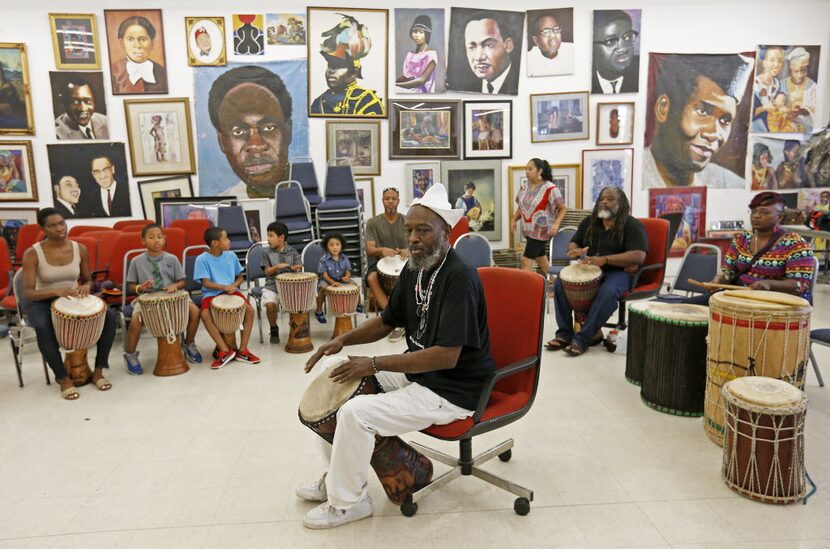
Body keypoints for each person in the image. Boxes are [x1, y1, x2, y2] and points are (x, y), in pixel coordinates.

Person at [296, 183, 494, 529]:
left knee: (357, 412)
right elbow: (388, 321)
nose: (413, 238)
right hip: (421, 375)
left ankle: (349, 503)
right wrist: (342, 341)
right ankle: (337, 482)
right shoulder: (415, 267)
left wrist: (373, 363)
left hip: (453, 389)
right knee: (335, 376)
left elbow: (446, 357)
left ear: (445, 231)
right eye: (409, 230)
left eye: (423, 230)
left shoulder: (459, 277)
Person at [22, 208, 117, 400]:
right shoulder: (32, 253)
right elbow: (28, 292)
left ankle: (99, 370)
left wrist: (86, 287)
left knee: (110, 317)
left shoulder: (79, 248)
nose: (59, 228)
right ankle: (62, 378)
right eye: (52, 225)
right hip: (43, 300)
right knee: (42, 326)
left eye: (61, 223)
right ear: (43, 228)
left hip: (72, 298)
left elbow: (89, 280)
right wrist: (55, 291)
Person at [546, 187, 647, 357]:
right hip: (591, 269)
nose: (604, 202)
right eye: (601, 198)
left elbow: (638, 256)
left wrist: (606, 259)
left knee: (607, 292)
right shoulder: (590, 222)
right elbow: (574, 242)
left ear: (621, 203)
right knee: (559, 283)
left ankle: (583, 338)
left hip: (619, 273)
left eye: (610, 199)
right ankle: (564, 334)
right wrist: (576, 250)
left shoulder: (632, 225)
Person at [643, 54, 753, 189]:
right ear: (663, 109)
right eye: (703, 111)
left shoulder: (728, 184)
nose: (714, 134)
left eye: (725, 120)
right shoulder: (634, 174)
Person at [690, 192, 815, 305]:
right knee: (684, 306)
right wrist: (718, 280)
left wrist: (769, 284)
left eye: (764, 212)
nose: (756, 216)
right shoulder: (742, 239)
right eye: (754, 211)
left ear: (780, 217)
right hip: (739, 296)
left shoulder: (796, 244)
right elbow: (728, 271)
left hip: (776, 303)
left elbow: (800, 284)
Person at [123, 224, 203, 375]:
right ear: (143, 241)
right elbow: (131, 287)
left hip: (173, 296)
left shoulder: (172, 259)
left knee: (194, 311)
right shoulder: (136, 261)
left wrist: (175, 285)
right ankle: (131, 355)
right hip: (147, 297)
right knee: (135, 322)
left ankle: (189, 343)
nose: (156, 241)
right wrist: (141, 287)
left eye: (159, 237)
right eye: (151, 237)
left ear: (164, 239)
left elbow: (182, 282)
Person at [208, 66, 294, 199]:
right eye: (238, 132)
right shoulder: (226, 207)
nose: (256, 146)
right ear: (222, 142)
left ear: (288, 132)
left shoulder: (309, 195)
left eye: (269, 128)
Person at [194, 226, 260, 369]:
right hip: (211, 293)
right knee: (204, 314)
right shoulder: (202, 259)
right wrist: (225, 287)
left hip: (231, 291)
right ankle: (224, 349)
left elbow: (240, 277)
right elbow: (206, 283)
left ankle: (243, 350)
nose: (229, 241)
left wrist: (234, 285)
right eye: (226, 238)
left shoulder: (231, 256)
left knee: (249, 311)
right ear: (214, 243)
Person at [310, 14, 384, 116]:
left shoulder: (366, 100)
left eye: (338, 66)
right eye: (330, 66)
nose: (331, 71)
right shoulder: (318, 102)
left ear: (355, 72)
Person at [365, 187, 409, 341]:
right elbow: (369, 249)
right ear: (382, 200)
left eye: (393, 198)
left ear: (398, 200)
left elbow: (417, 243)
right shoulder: (372, 223)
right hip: (379, 264)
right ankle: (395, 320)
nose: (390, 201)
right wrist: (381, 249)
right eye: (387, 198)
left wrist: (408, 250)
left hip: (405, 264)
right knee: (371, 278)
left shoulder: (407, 221)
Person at [510, 158, 567, 273]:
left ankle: (527, 290)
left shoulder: (550, 188)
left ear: (539, 171)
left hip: (541, 230)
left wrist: (556, 224)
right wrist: (513, 219)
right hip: (528, 231)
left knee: (526, 260)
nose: (527, 171)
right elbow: (521, 207)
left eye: (530, 169)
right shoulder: (524, 187)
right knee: (541, 259)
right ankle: (556, 282)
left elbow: (563, 208)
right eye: (526, 169)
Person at [261, 221, 302, 344]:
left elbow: (299, 267)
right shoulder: (266, 252)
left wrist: (296, 268)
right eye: (268, 235)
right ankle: (273, 328)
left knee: (298, 306)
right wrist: (277, 266)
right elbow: (267, 272)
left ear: (281, 237)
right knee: (270, 304)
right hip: (272, 285)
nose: (268, 239)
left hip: (290, 286)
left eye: (271, 236)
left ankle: (295, 328)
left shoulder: (293, 251)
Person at [460, 11, 519, 95]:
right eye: (472, 48)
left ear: (508, 46)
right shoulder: (466, 90)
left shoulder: (522, 85)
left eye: (489, 45)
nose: (479, 57)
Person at [110, 16, 168, 94]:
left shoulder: (162, 72)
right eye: (130, 39)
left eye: (143, 39)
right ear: (122, 43)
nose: (137, 45)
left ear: (153, 43)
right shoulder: (114, 73)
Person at [591, 10, 639, 94]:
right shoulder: (583, 78)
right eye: (611, 41)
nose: (623, 48)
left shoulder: (641, 72)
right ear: (593, 47)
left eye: (627, 38)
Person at [314, 234, 356, 324]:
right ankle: (318, 311)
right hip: (327, 280)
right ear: (327, 247)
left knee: (354, 285)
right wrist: (332, 283)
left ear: (342, 246)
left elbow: (348, 271)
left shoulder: (344, 258)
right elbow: (324, 275)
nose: (335, 247)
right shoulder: (323, 259)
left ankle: (357, 305)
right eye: (331, 245)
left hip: (341, 279)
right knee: (322, 289)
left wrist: (347, 277)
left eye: (337, 244)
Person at [395, 15, 438, 93]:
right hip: (405, 90)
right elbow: (406, 76)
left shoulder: (431, 55)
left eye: (421, 32)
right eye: (415, 32)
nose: (417, 35)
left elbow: (421, 80)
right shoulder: (410, 54)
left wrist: (397, 85)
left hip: (421, 93)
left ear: (427, 34)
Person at [526, 11, 574, 77]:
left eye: (556, 29)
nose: (553, 36)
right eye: (546, 31)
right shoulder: (528, 61)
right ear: (536, 40)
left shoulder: (572, 50)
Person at [782, 47, 817, 133]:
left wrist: (801, 111)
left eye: (803, 71)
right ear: (791, 70)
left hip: (806, 127)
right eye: (796, 71)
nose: (800, 75)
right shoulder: (782, 84)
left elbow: (815, 109)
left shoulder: (813, 86)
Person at [751, 47, 784, 132]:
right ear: (764, 63)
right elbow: (749, 115)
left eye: (779, 61)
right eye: (772, 60)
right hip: (757, 127)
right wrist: (765, 108)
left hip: (772, 124)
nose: (777, 65)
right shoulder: (754, 85)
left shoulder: (777, 84)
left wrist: (781, 97)